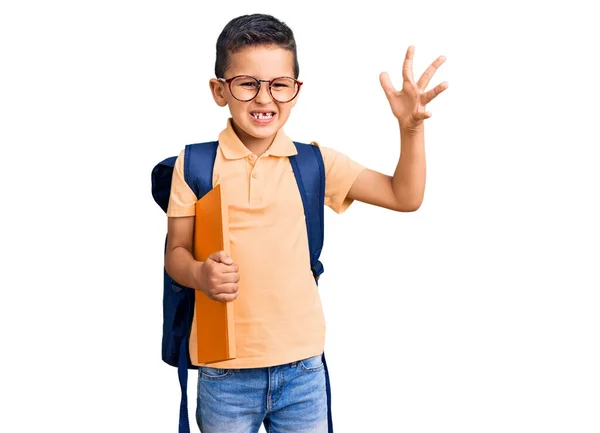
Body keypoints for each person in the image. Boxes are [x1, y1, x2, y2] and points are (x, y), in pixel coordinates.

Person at [164, 13, 447, 433]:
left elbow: (404, 197)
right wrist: (201, 274)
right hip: (223, 373)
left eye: (279, 84)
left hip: (302, 371)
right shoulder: (196, 164)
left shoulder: (315, 162)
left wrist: (409, 130)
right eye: (247, 84)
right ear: (219, 90)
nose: (265, 99)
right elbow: (176, 254)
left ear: (296, 91)